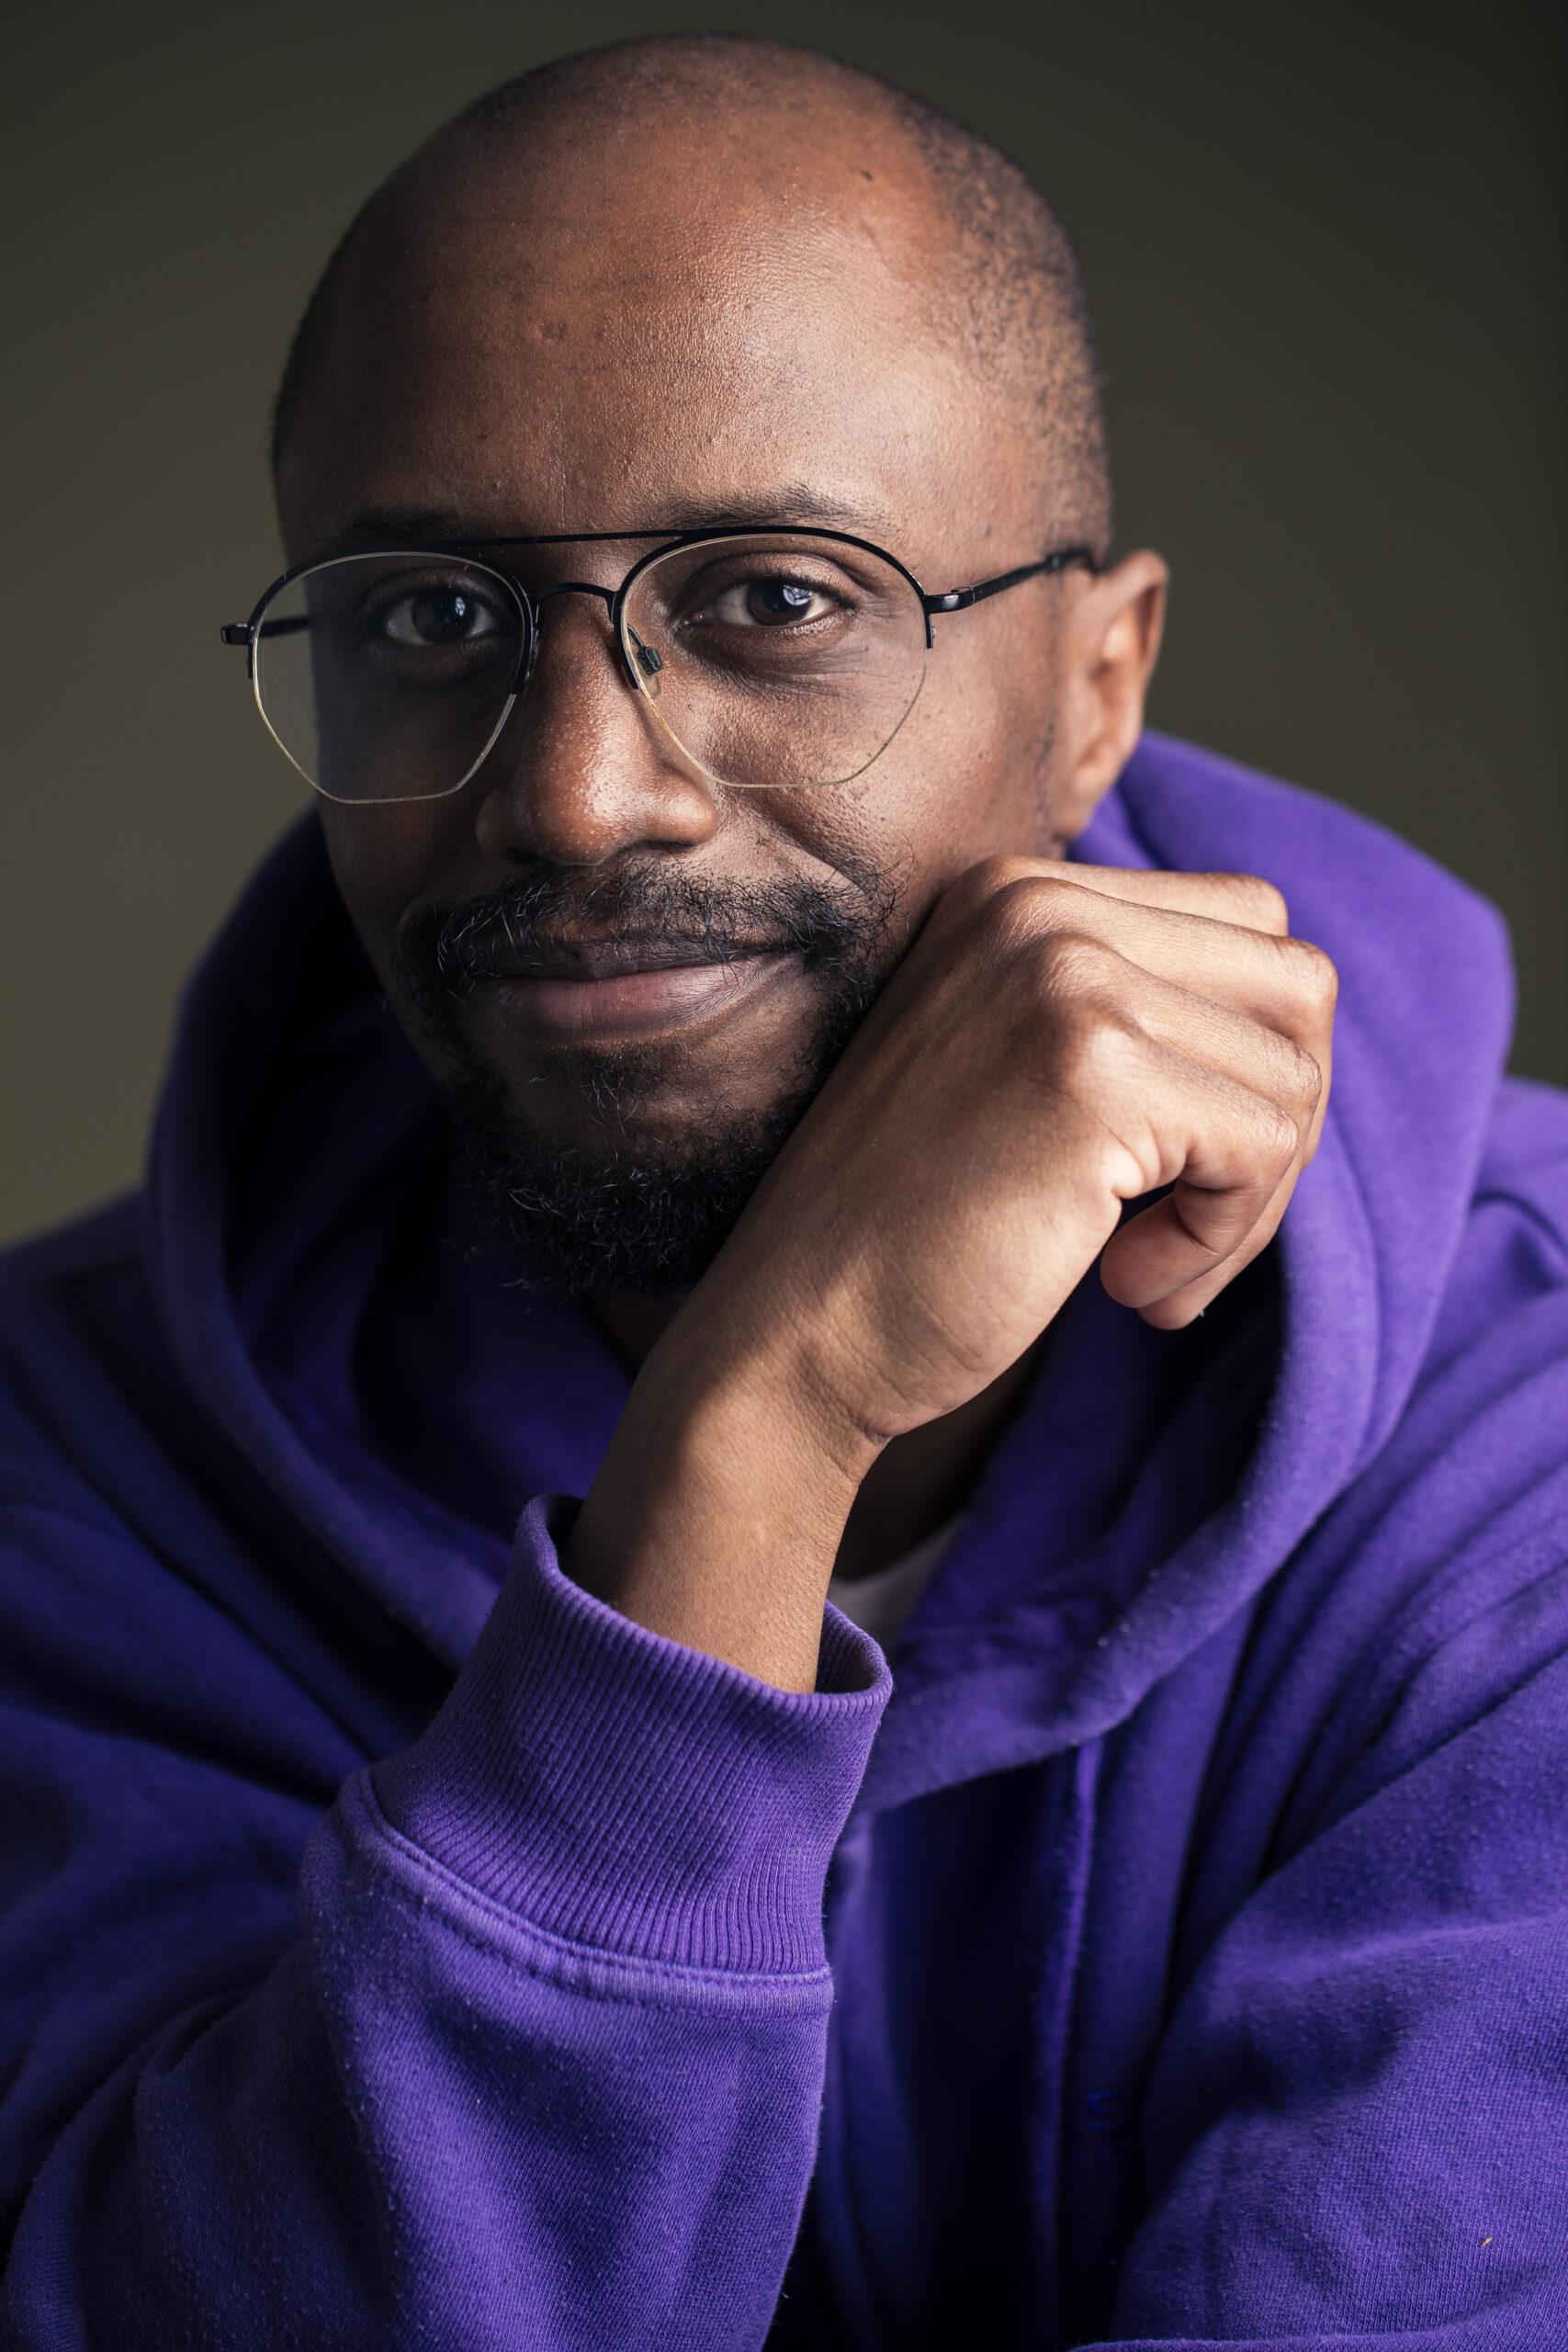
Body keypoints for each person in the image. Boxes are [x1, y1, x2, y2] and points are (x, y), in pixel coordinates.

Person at [2, 31, 1564, 2348]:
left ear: (1097, 682)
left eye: (772, 596)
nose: (578, 794)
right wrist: (767, 1427)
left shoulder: (1521, 1435)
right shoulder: (65, 1476)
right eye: (426, 617)